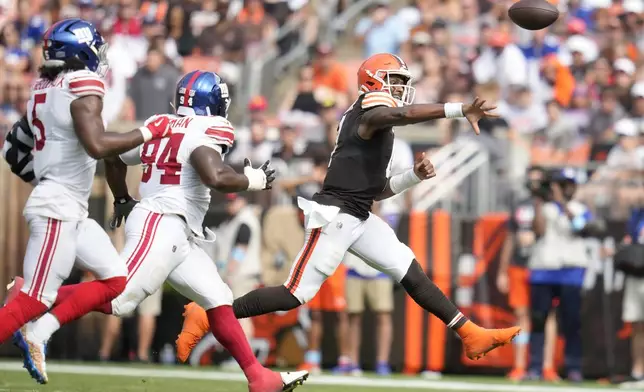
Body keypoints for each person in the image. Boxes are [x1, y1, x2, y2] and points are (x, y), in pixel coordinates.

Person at [177, 53, 521, 360]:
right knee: (293, 294)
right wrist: (459, 109)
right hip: (336, 216)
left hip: (357, 214)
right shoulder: (369, 116)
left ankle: (469, 333)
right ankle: (207, 314)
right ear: (373, 82)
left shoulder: (374, 122)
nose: (402, 88)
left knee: (410, 271)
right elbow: (406, 113)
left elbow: (377, 191)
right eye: (396, 80)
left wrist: (413, 176)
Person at [10, 70, 308, 392]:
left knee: (217, 296)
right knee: (120, 299)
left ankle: (258, 377)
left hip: (177, 230)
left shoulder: (163, 123)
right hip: (162, 222)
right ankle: (33, 295)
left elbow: (114, 156)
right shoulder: (207, 129)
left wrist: (123, 198)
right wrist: (254, 180)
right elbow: (215, 176)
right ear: (213, 103)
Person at [0, 18, 174, 384]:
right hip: (59, 209)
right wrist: (148, 131)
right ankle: (28, 302)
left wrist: (47, 179)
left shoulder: (42, 89)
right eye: (94, 47)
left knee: (114, 281)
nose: (99, 54)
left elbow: (12, 151)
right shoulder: (83, 83)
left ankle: (36, 324)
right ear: (80, 52)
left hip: (68, 207)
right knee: (33, 300)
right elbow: (97, 144)